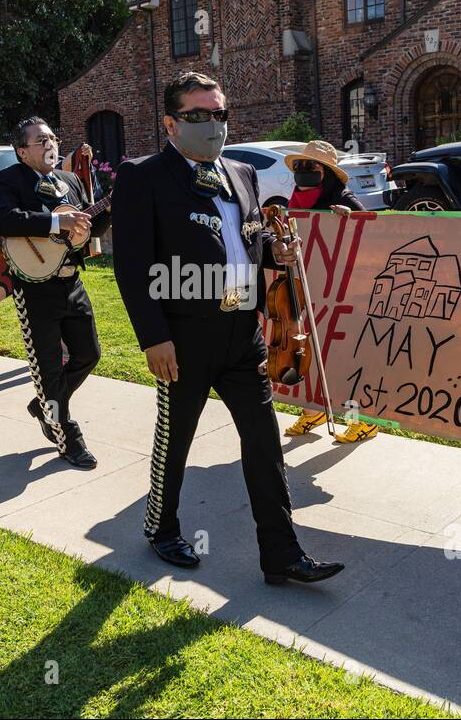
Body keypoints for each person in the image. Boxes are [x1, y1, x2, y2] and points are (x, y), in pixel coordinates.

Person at [112, 71, 344, 585]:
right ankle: (161, 527)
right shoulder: (142, 177)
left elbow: (248, 244)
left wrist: (276, 254)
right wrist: (154, 338)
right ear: (172, 124)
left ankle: (281, 552)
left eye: (219, 114)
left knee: (263, 442)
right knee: (177, 439)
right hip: (182, 336)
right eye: (199, 115)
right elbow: (131, 265)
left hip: (243, 332)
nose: (213, 124)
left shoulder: (242, 173)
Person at [0, 121, 109, 469]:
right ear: (22, 151)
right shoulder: (10, 179)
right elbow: (3, 220)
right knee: (47, 369)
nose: (50, 145)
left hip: (72, 282)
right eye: (41, 141)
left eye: (53, 138)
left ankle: (45, 404)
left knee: (89, 354)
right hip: (35, 287)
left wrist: (108, 210)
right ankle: (67, 436)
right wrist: (57, 223)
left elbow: (88, 226)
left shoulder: (69, 181)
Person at [277, 140, 379, 445]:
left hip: (343, 293)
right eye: (300, 166)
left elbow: (370, 233)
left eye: (312, 167)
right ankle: (314, 411)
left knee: (344, 356)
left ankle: (363, 420)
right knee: (308, 350)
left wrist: (349, 218)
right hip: (307, 288)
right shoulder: (293, 200)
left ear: (328, 173)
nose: (304, 171)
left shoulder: (342, 197)